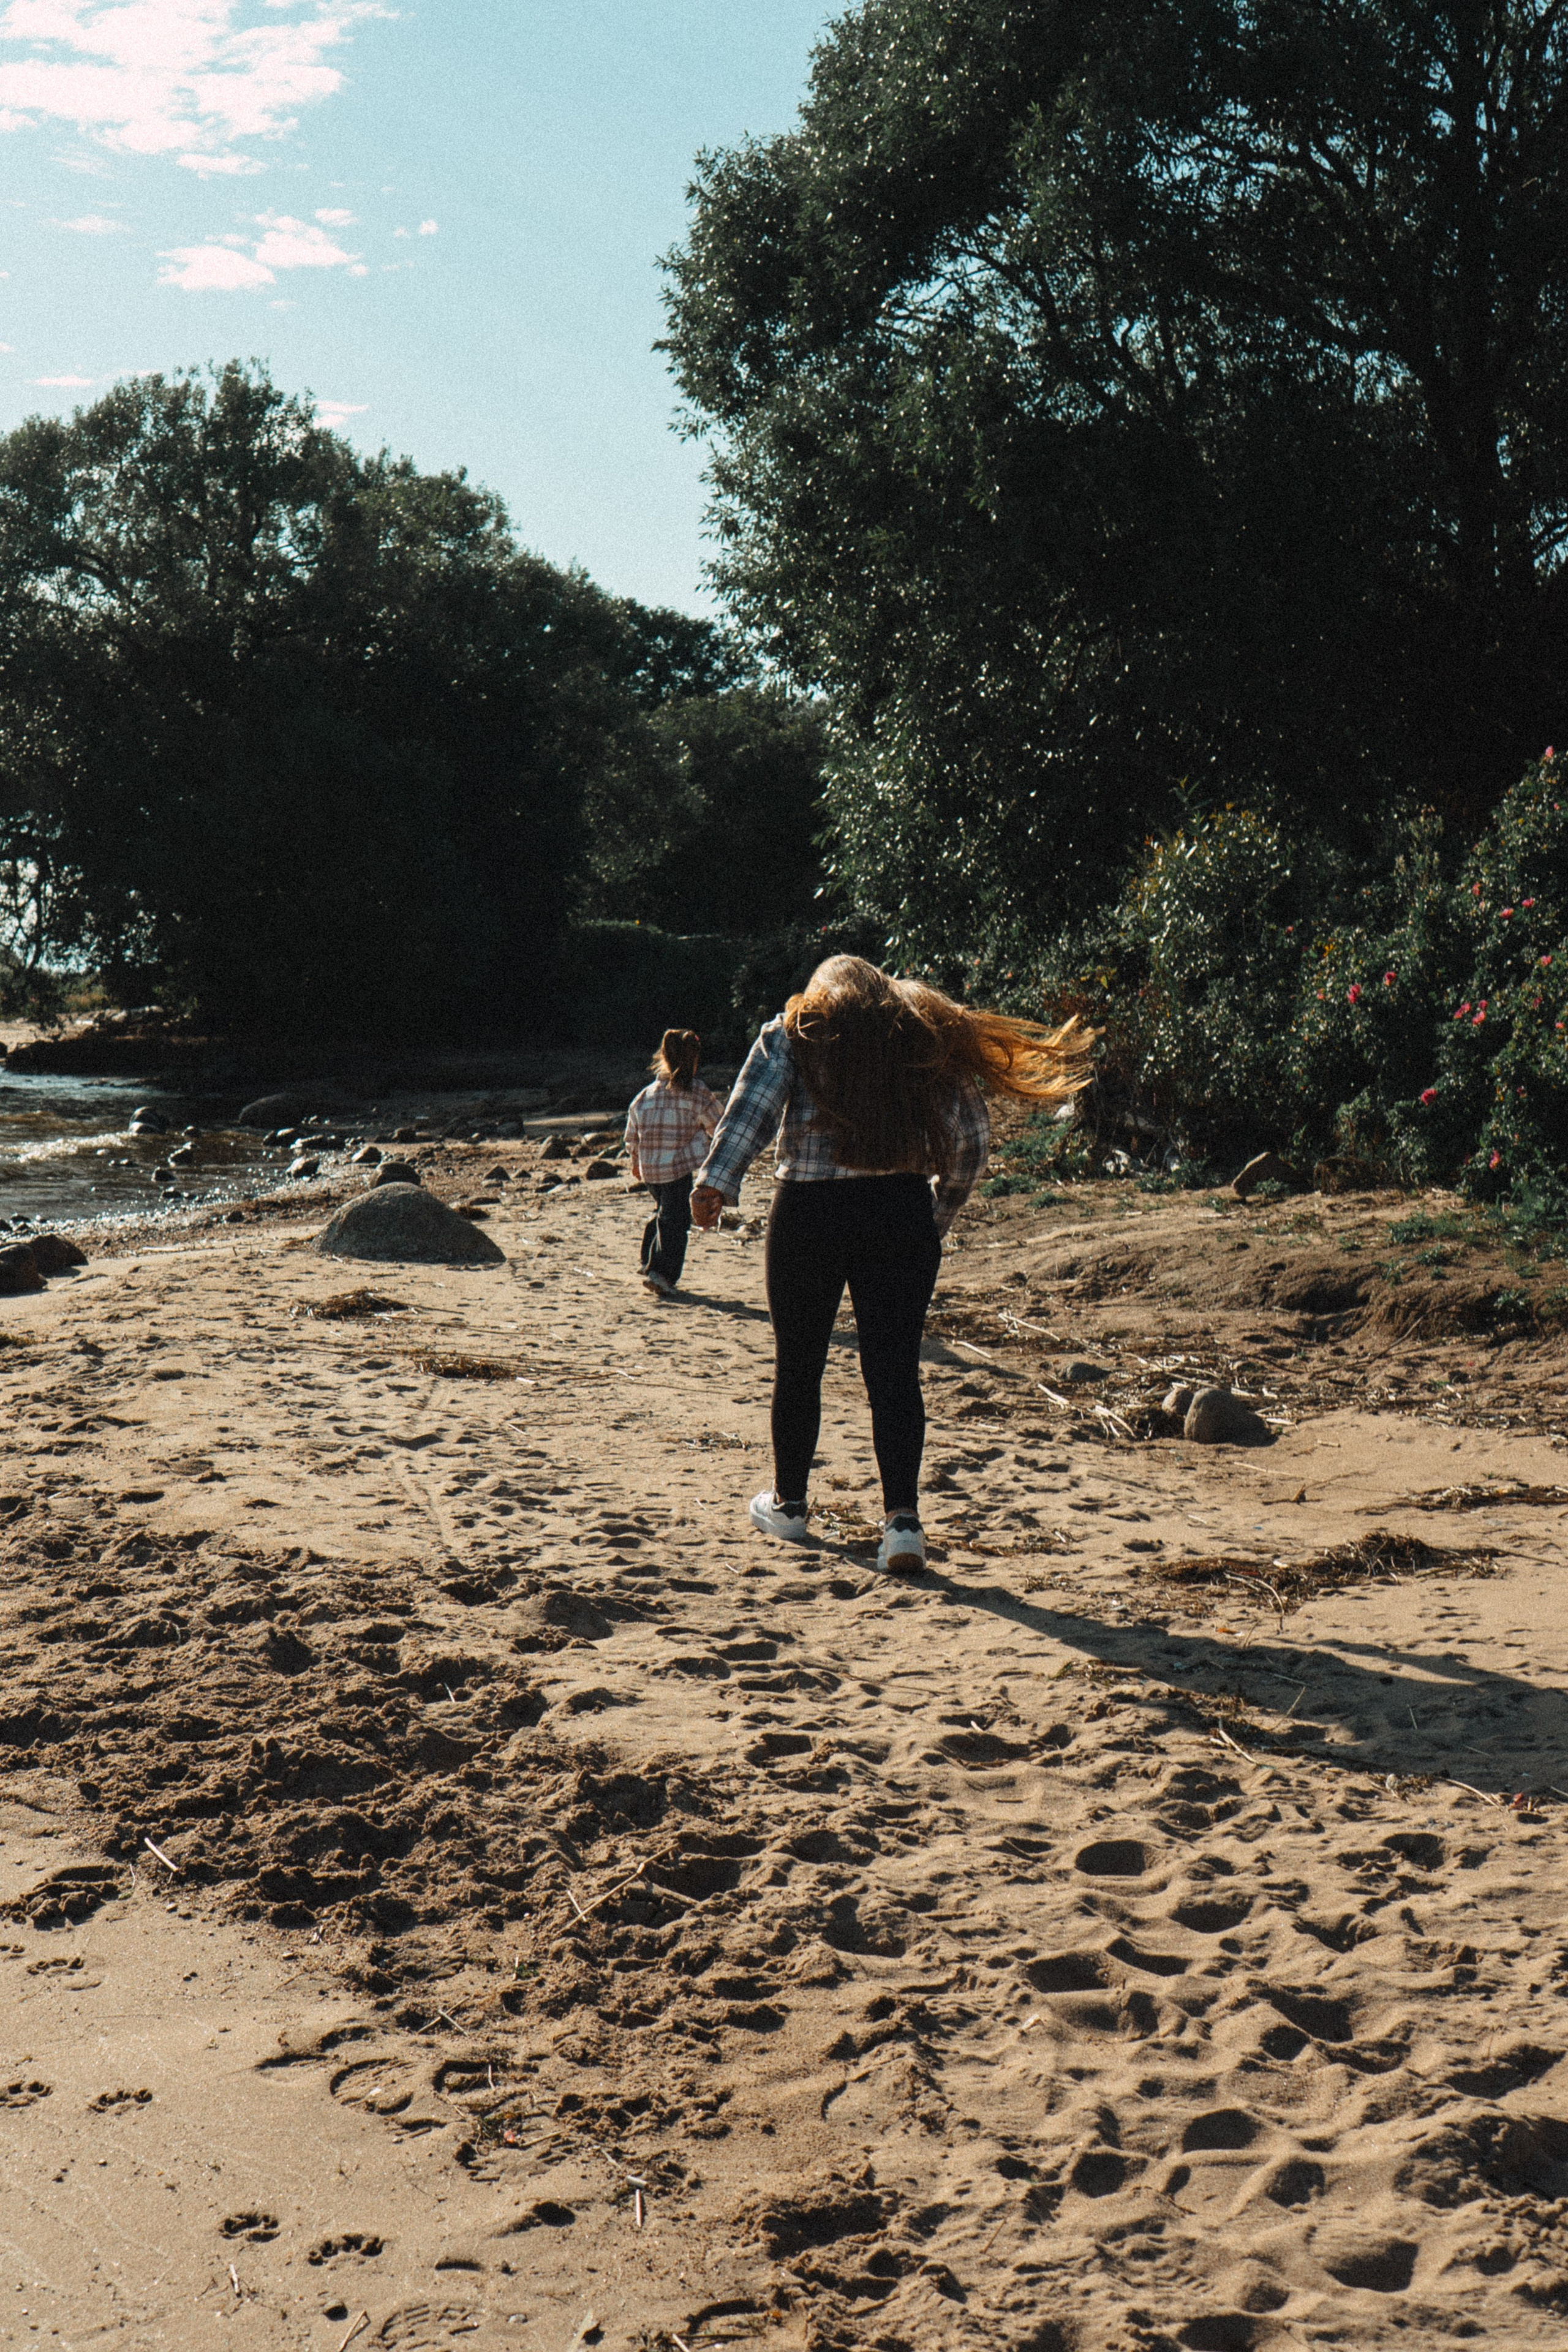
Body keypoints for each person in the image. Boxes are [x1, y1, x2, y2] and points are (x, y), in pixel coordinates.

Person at [690, 956, 1093, 1570]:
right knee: (895, 1372)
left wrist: (715, 1181)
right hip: (899, 1212)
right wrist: (939, 1211)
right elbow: (970, 1137)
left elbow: (752, 1110)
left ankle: (790, 1505)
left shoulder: (794, 1031)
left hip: (808, 1213)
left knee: (799, 1363)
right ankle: (902, 1524)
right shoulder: (919, 1038)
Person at [624, 1028, 723, 1299]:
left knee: (664, 1212)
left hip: (650, 1171)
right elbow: (719, 1125)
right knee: (676, 1221)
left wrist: (635, 1161)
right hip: (676, 1169)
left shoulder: (646, 1094)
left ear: (664, 1057)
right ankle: (662, 1273)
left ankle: (647, 1260)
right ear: (694, 1061)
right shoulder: (697, 1092)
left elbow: (632, 1133)